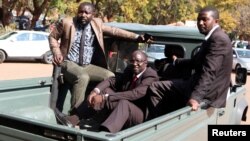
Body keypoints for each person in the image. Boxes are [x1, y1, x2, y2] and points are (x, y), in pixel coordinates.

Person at [49, 2, 149, 114]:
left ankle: (102, 108)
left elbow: (115, 31)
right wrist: (57, 53)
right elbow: (52, 37)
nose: (83, 15)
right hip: (68, 62)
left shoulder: (97, 24)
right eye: (81, 12)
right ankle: (75, 114)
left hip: (86, 65)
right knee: (82, 77)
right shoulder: (67, 23)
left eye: (87, 13)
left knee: (110, 76)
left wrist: (137, 37)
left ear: (93, 14)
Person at [146, 6, 233, 119]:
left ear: (216, 21)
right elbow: (195, 61)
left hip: (208, 93)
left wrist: (196, 97)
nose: (200, 23)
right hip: (197, 84)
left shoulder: (218, 39)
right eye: (198, 20)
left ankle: (155, 124)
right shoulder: (212, 37)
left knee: (155, 87)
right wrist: (176, 61)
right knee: (165, 84)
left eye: (205, 19)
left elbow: (209, 71)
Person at [66, 50, 159, 133]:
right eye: (132, 61)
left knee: (123, 102)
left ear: (146, 63)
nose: (134, 63)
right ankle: (72, 120)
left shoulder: (151, 75)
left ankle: (105, 133)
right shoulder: (130, 70)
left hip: (140, 115)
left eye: (138, 61)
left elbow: (135, 94)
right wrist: (95, 91)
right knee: (104, 90)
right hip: (122, 107)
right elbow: (112, 80)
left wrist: (105, 97)